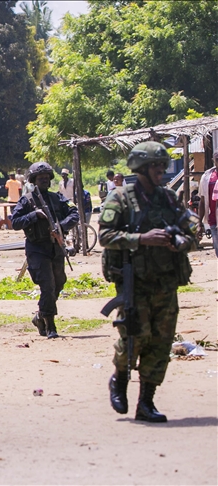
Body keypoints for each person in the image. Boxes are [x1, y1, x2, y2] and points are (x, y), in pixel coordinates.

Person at [99, 142, 197, 423]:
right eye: (157, 166)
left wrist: (182, 242)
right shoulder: (121, 198)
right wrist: (142, 238)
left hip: (165, 282)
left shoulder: (168, 198)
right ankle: (119, 379)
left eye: (163, 167)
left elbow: (191, 229)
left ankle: (146, 402)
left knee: (161, 342)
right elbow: (105, 235)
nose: (162, 172)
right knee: (134, 338)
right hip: (135, 282)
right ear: (141, 168)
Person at [11, 161, 79, 339]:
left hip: (55, 247)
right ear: (34, 180)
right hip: (37, 248)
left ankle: (41, 316)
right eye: (40, 178)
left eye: (47, 178)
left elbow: (74, 214)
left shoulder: (58, 198)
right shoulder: (27, 200)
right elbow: (15, 222)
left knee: (58, 283)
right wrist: (34, 215)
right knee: (47, 285)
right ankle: (51, 325)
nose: (44, 181)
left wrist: (61, 226)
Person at [199, 161, 218, 257]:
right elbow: (202, 201)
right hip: (213, 220)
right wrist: (199, 223)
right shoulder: (207, 177)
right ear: (214, 160)